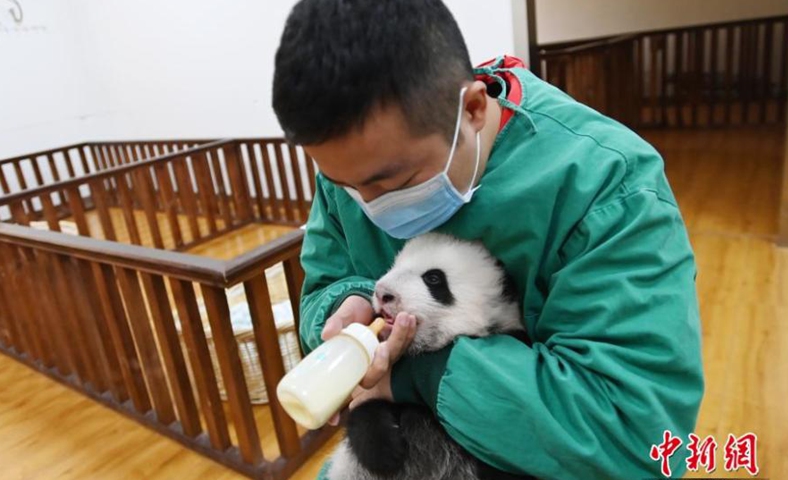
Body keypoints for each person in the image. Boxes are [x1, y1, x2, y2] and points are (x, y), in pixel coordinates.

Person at [272, 0, 704, 479]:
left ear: (474, 109)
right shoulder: (355, 169)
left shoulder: (609, 187)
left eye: (392, 183)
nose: (369, 205)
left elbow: (633, 435)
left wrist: (416, 372)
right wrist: (344, 308)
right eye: (346, 188)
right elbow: (325, 281)